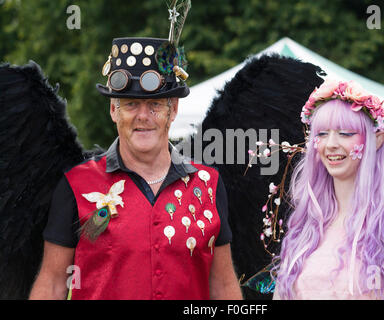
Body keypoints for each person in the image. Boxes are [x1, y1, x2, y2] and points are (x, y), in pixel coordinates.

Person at [29, 36, 242, 300]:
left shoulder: (208, 185)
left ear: (172, 110)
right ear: (113, 110)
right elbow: (52, 284)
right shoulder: (76, 185)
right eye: (130, 104)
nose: (143, 116)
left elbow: (222, 285)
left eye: (155, 105)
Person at [272, 79, 384, 299]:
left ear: (377, 140)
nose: (331, 144)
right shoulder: (308, 220)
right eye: (322, 134)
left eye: (345, 133)